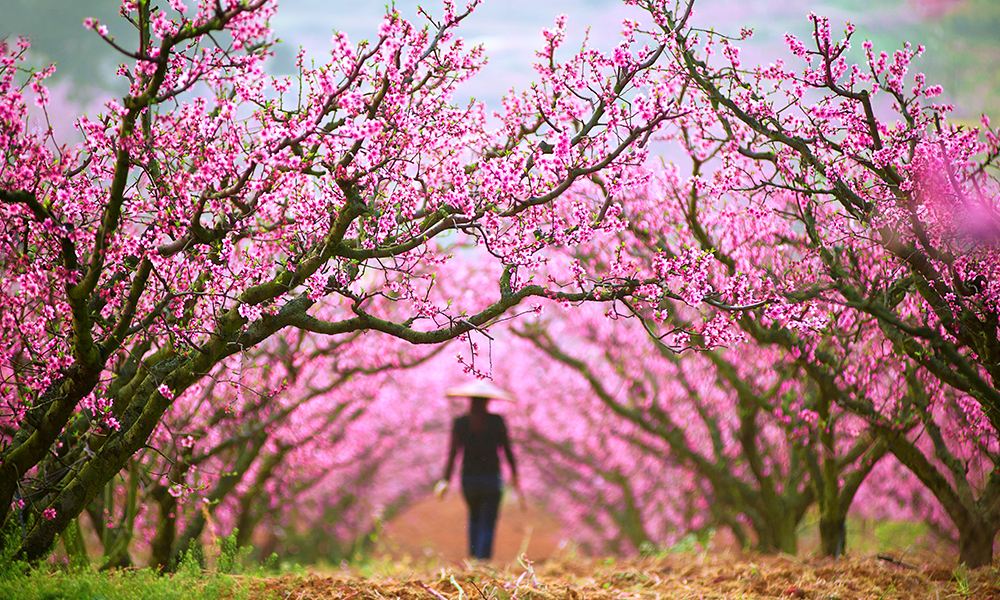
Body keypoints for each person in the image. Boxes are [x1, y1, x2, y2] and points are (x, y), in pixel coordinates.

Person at [435, 382, 522, 560]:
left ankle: (473, 559)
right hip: (491, 479)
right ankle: (483, 561)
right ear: (488, 402)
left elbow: (453, 454)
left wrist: (445, 480)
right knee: (488, 521)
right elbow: (507, 450)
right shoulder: (497, 422)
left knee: (474, 518)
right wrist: (514, 474)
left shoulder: (460, 423)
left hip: (468, 480)